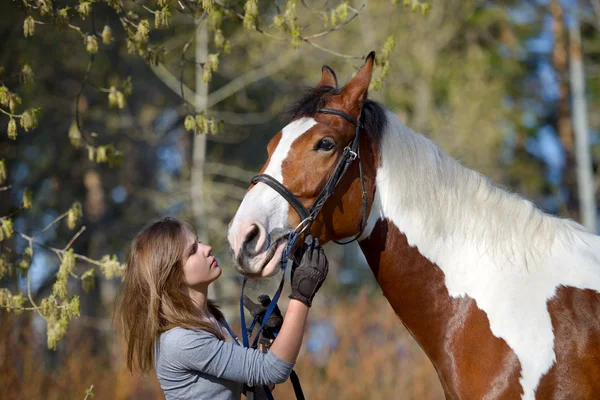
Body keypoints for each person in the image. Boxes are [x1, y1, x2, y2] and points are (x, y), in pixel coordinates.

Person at [115, 217, 329, 400]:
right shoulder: (181, 340)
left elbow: (258, 385)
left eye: (198, 242)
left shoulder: (209, 319)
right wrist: (302, 296)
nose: (206, 249)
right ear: (173, 275)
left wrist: (269, 336)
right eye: (193, 251)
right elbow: (272, 370)